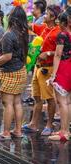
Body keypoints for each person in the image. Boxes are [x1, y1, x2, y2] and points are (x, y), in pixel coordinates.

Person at [0, 6, 28, 140]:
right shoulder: (23, 33)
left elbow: (7, 56)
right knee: (17, 102)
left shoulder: (9, 34)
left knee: (7, 103)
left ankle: (5, 133)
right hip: (21, 70)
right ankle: (18, 130)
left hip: (9, 72)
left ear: (11, 18)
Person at [22, 5, 62, 136]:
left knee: (50, 99)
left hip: (48, 69)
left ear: (53, 17)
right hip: (37, 67)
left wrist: (48, 53)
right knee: (37, 97)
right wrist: (21, 10)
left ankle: (49, 125)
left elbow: (61, 51)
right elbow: (29, 26)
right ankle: (33, 124)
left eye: (47, 14)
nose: (44, 16)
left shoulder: (58, 32)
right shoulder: (44, 28)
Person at [48, 8, 71, 141]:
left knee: (62, 102)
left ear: (64, 23)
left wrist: (53, 75)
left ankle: (63, 132)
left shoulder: (62, 35)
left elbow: (57, 55)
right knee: (68, 102)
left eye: (59, 22)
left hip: (63, 68)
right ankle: (66, 130)